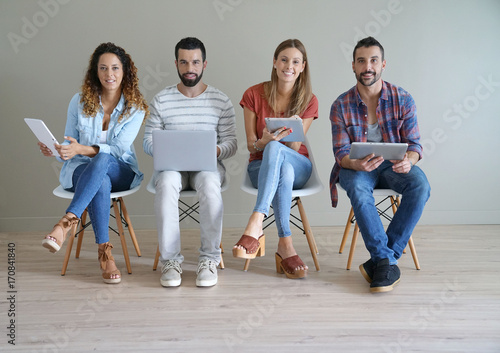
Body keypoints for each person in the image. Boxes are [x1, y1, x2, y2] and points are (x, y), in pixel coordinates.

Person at [39, 42, 148, 284]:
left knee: (104, 157)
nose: (110, 74)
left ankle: (66, 223)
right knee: (101, 182)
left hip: (122, 170)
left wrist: (82, 149)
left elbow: (118, 150)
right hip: (83, 172)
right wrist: (58, 150)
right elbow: (70, 142)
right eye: (103, 68)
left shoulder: (136, 108)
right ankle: (106, 255)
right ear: (95, 72)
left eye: (115, 68)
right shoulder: (79, 101)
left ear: (125, 71)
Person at [329, 37, 431, 293]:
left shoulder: (403, 98)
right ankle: (385, 260)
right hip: (356, 168)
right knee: (359, 191)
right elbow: (340, 153)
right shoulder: (341, 105)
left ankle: (384, 259)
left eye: (373, 60)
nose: (368, 66)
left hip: (392, 167)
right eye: (361, 61)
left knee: (420, 185)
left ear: (383, 64)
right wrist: (355, 163)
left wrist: (408, 161)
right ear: (353, 66)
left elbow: (415, 145)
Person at [143, 37, 237, 288]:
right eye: (183, 62)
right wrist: (164, 149)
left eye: (195, 62)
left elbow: (231, 143)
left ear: (204, 63)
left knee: (208, 183)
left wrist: (214, 149)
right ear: (176, 63)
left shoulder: (221, 100)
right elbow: (147, 141)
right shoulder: (162, 99)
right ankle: (170, 261)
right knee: (166, 181)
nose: (189, 68)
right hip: (171, 167)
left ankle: (209, 259)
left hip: (207, 166)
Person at [233, 39, 318, 279]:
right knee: (276, 159)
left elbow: (293, 149)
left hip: (299, 164)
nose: (288, 66)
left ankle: (256, 221)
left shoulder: (309, 100)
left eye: (295, 62)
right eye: (283, 59)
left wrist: (295, 130)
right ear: (274, 62)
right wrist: (264, 141)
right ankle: (286, 246)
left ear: (302, 67)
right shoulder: (253, 94)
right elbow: (251, 146)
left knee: (281, 156)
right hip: (260, 167)